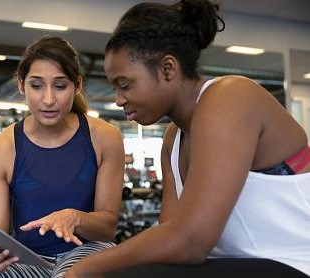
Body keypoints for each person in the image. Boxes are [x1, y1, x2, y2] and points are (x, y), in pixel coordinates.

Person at [64, 0, 310, 277]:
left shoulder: (231, 97)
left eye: (125, 85)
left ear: (168, 69)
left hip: (296, 263)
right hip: (239, 264)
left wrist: (82, 270)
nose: (119, 99)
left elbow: (189, 242)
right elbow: (169, 240)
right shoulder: (173, 141)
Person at [0, 36, 125, 277]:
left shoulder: (105, 137)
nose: (48, 99)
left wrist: (75, 218)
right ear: (21, 85)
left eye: (60, 86)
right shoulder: (0, 150)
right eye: (36, 86)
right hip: (27, 259)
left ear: (77, 85)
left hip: (88, 250)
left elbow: (108, 228)